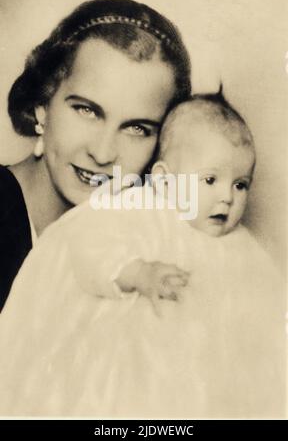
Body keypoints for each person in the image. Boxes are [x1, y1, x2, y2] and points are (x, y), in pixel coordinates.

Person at [0, 91, 284, 418]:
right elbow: (92, 248)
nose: (227, 197)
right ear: (164, 180)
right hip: (133, 363)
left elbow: (264, 301)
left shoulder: (240, 244)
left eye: (241, 184)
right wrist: (138, 273)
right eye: (210, 179)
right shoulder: (140, 210)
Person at [0, 0, 191, 310]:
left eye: (137, 129)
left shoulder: (134, 250)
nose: (103, 154)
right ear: (42, 104)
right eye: (86, 110)